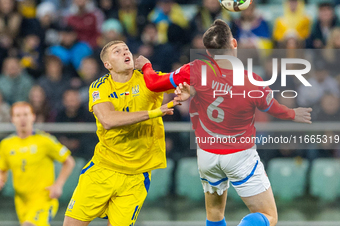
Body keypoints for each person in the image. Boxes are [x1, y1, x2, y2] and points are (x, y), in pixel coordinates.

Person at [135, 19, 312, 226]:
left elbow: (154, 83)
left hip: (207, 155)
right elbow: (272, 108)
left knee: (215, 213)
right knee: (269, 216)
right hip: (239, 155)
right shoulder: (251, 80)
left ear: (209, 53)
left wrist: (146, 66)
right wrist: (292, 113)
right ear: (234, 44)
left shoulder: (196, 69)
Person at [63, 40, 178, 226]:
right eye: (117, 51)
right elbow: (108, 120)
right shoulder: (100, 86)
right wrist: (154, 113)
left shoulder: (150, 79)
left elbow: (184, 83)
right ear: (107, 64)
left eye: (127, 49)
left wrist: (186, 91)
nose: (126, 53)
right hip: (103, 170)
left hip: (136, 176)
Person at [0, 101, 75, 226]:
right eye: (18, 116)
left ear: (33, 117)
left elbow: (69, 161)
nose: (22, 119)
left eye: (26, 114)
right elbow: (2, 169)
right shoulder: (6, 144)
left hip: (43, 199)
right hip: (21, 201)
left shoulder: (44, 140)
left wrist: (58, 185)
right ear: (12, 119)